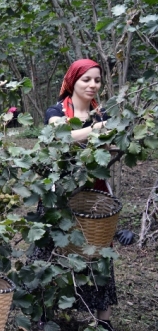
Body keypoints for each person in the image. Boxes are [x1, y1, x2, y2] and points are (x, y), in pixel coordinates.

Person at [42, 58, 116, 330]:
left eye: (97, 80)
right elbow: (59, 136)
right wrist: (94, 131)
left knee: (97, 252)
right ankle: (45, 311)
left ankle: (103, 319)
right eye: (86, 79)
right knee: (53, 248)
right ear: (73, 81)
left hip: (93, 193)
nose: (92, 85)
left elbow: (109, 152)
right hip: (59, 194)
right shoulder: (56, 111)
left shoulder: (103, 114)